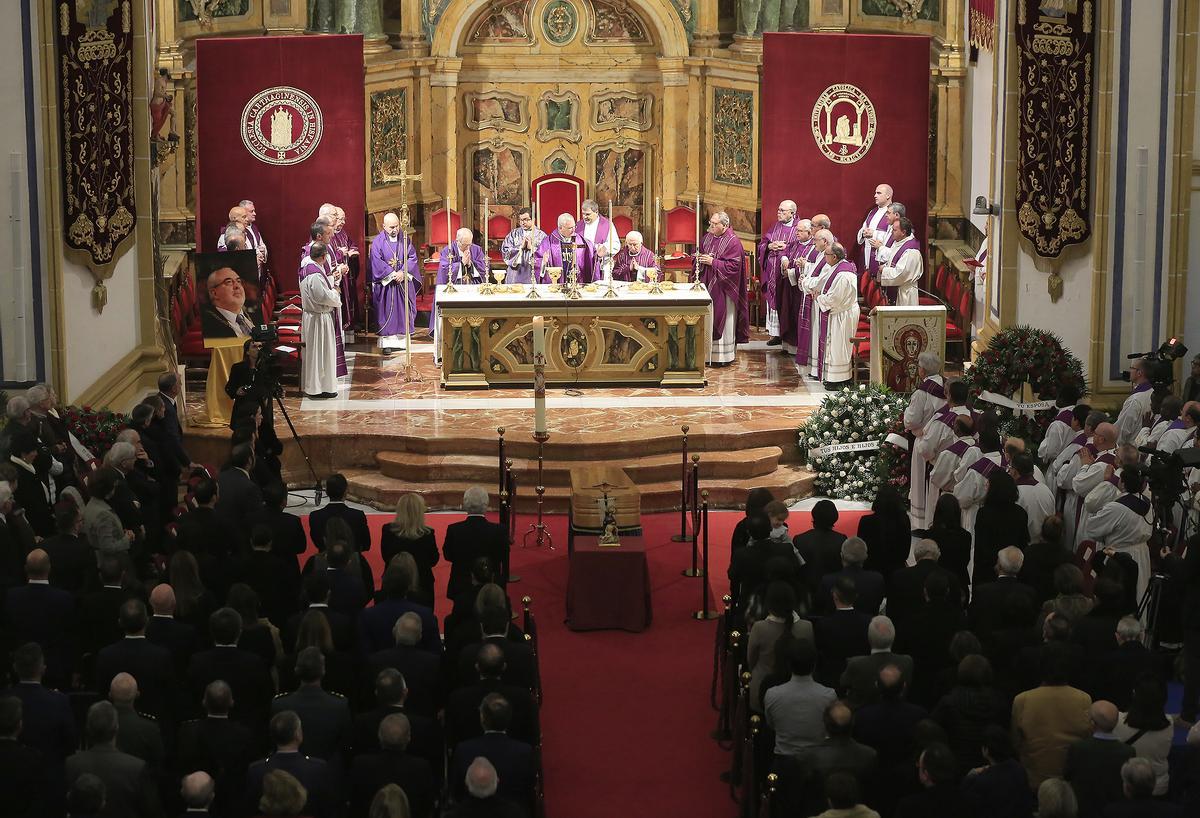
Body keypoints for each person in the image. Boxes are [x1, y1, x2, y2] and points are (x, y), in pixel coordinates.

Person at [1011, 646, 1092, 789]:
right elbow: (1087, 737)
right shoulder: (1084, 699)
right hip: (1070, 780)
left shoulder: (1022, 700)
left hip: (1034, 778)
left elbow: (1016, 742)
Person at [65, 701, 159, 818]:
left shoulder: (71, 764)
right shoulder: (137, 768)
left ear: (88, 729)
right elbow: (152, 811)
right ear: (116, 728)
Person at [1086, 467, 1153, 604]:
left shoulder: (1116, 507)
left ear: (1122, 483)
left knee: (1120, 596)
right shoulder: (1147, 502)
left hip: (1120, 556)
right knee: (1139, 594)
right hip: (1141, 553)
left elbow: (1092, 528)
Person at [1063, 700, 1136, 818]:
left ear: (1092, 723)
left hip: (1084, 810)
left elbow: (1067, 775)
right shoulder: (1128, 752)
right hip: (1115, 811)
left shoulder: (1078, 748)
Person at [764, 639, 837, 756]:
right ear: (814, 664)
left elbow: (771, 724)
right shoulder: (828, 695)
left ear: (788, 665)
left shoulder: (773, 694)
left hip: (784, 759)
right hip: (816, 760)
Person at [698, 210, 749, 366]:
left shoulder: (733, 242)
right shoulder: (706, 238)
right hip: (708, 284)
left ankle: (722, 356)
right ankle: (706, 355)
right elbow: (700, 255)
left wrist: (713, 262)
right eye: (710, 223)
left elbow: (734, 266)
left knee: (723, 319)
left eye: (715, 223)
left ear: (725, 225)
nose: (711, 226)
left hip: (724, 288)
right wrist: (699, 260)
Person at [1110, 674, 1173, 797]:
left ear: (1135, 694)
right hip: (1159, 786)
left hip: (1128, 785)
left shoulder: (1118, 721)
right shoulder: (1169, 722)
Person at [443, 487, 509, 599]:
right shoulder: (499, 531)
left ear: (465, 504)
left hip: (461, 585)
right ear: (486, 505)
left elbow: (448, 556)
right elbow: (503, 556)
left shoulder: (454, 530)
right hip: (491, 585)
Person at [903, 351, 946, 519]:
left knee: (922, 480)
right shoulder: (946, 386)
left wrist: (906, 412)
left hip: (924, 442)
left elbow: (911, 421)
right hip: (944, 442)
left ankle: (922, 520)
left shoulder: (922, 393)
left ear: (923, 371)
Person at [299, 242, 344, 400]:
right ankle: (320, 388)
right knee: (321, 354)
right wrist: (336, 293)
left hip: (313, 317)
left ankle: (317, 386)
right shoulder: (315, 273)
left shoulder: (307, 266)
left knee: (316, 353)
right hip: (319, 318)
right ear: (324, 256)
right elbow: (321, 296)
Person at [370, 212, 421, 351]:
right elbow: (376, 262)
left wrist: (403, 272)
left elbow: (412, 257)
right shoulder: (377, 242)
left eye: (397, 226)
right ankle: (388, 344)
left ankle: (403, 342)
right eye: (391, 227)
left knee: (404, 312)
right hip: (388, 284)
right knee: (388, 313)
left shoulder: (405, 239)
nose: (395, 229)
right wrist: (393, 274)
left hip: (403, 282)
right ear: (384, 226)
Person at [840, 615, 913, 710]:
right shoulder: (907, 662)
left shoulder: (856, 663)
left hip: (862, 716)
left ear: (869, 637)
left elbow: (843, 683)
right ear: (893, 636)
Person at [973, 471, 1030, 587]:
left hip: (987, 572)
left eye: (988, 484)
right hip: (1014, 571)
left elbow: (981, 547)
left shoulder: (984, 513)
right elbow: (1023, 543)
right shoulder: (1020, 513)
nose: (986, 487)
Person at [813, 242, 859, 386]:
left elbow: (835, 298)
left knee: (838, 348)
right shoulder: (838, 267)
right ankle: (834, 377)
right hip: (840, 311)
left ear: (834, 256)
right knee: (835, 347)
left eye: (826, 255)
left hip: (842, 314)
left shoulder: (843, 274)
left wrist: (819, 297)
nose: (824, 257)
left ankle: (840, 380)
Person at [380, 493, 439, 602]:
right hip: (422, 584)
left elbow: (385, 556)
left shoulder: (388, 530)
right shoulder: (427, 534)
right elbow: (434, 560)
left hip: (393, 582)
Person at [758, 199, 798, 345]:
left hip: (786, 276)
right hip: (772, 273)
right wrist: (769, 246)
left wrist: (785, 251)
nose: (779, 213)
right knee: (773, 303)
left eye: (783, 211)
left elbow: (799, 249)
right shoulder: (775, 226)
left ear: (792, 213)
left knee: (785, 304)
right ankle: (775, 334)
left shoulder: (798, 229)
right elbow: (763, 244)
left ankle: (786, 334)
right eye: (779, 210)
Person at [796, 221, 833, 372]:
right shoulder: (821, 254)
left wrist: (804, 281)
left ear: (824, 241)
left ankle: (817, 367)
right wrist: (805, 267)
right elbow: (815, 270)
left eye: (816, 240)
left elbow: (822, 279)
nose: (813, 242)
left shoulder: (829, 255)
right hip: (814, 298)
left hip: (820, 300)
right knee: (812, 334)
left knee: (817, 334)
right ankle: (813, 366)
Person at [857, 485, 911, 581]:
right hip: (896, 572)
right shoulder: (904, 521)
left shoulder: (866, 521)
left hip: (871, 572)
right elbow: (905, 552)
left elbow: (861, 550)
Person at [536, 213, 593, 283]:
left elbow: (591, 257)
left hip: (577, 283)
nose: (573, 230)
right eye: (570, 228)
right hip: (557, 285)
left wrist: (598, 256)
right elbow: (536, 260)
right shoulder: (548, 243)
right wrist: (543, 262)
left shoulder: (581, 241)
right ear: (560, 228)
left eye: (574, 227)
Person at [200, 267, 255, 339]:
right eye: (229, 282)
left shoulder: (256, 316)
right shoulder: (210, 327)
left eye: (239, 281)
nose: (237, 286)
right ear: (214, 293)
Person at [878, 217, 922, 305]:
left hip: (905, 294)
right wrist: (886, 265)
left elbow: (901, 274)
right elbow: (893, 261)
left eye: (894, 230)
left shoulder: (911, 251)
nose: (891, 232)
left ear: (903, 232)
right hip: (897, 290)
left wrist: (884, 270)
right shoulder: (898, 242)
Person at [500, 207, 548, 285]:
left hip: (532, 272)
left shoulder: (541, 236)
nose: (523, 222)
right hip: (515, 273)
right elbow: (505, 251)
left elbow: (546, 256)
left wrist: (532, 248)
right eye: (521, 220)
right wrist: (519, 248)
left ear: (533, 219)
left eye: (526, 219)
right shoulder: (513, 234)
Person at [1114, 358, 1155, 447]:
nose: (1129, 371)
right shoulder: (1153, 393)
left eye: (1132, 368)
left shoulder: (1135, 400)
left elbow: (1122, 429)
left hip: (1129, 448)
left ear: (1139, 373)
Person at [857, 183, 894, 279]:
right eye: (875, 193)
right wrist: (863, 233)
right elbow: (863, 228)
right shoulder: (872, 212)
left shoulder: (893, 213)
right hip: (867, 253)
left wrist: (874, 233)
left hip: (881, 256)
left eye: (879, 193)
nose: (875, 196)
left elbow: (893, 236)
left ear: (888, 196)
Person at [1039, 386, 1083, 467]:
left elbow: (1050, 452)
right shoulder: (1081, 416)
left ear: (1061, 399)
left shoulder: (1058, 423)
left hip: (1057, 467)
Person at [578, 199, 620, 268]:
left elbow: (615, 245)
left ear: (596, 212)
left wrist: (604, 248)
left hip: (602, 264)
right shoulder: (579, 226)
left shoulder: (607, 225)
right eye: (583, 214)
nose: (585, 217)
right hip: (583, 265)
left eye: (588, 214)